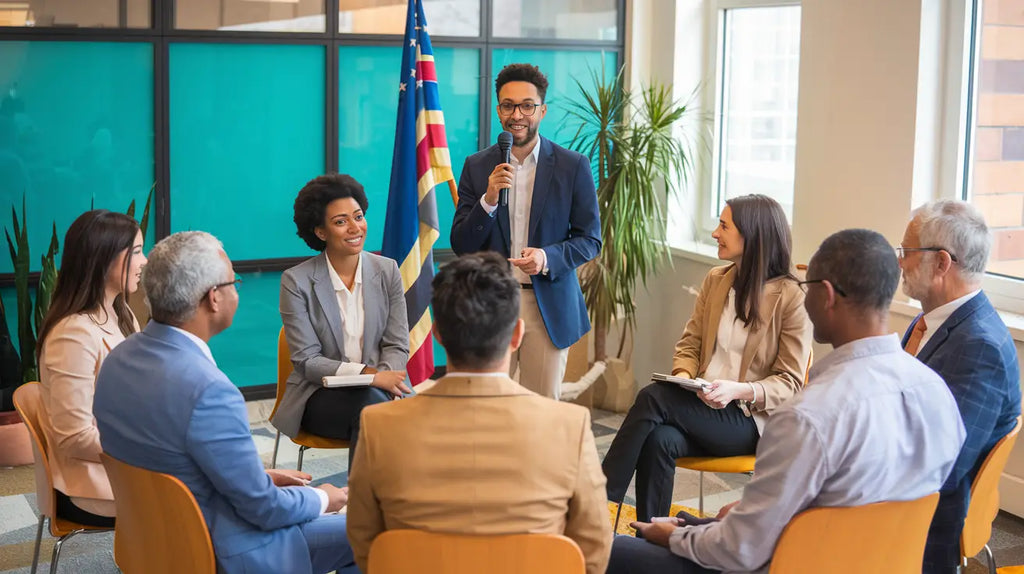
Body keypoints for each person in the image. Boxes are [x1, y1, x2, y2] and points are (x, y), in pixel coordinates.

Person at [607, 228, 966, 573]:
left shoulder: (807, 418)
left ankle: (601, 509)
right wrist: (703, 523)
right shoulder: (937, 395)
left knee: (604, 551)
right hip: (873, 563)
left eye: (806, 286)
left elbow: (739, 550)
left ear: (825, 295)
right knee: (675, 502)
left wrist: (678, 538)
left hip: (784, 563)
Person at [94, 232, 357, 574]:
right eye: (234, 281)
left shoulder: (118, 359)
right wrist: (324, 497)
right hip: (226, 550)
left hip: (154, 541)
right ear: (213, 298)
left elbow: (169, 457)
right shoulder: (209, 391)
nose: (238, 289)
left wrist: (256, 477)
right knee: (373, 527)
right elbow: (264, 509)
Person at [346, 252, 612, 574]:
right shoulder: (570, 426)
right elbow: (593, 551)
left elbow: (365, 544)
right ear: (516, 335)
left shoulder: (378, 425)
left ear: (438, 334)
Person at [602, 194, 812, 521]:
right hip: (701, 406)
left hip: (750, 420)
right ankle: (651, 538)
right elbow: (690, 344)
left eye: (724, 226)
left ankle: (600, 498)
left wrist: (737, 390)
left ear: (752, 235)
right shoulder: (717, 280)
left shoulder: (793, 298)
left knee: (652, 398)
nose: (715, 233)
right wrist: (683, 381)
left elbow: (791, 384)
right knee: (660, 439)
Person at [450, 63, 601, 399]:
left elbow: (590, 239)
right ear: (499, 109)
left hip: (546, 305)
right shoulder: (477, 166)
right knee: (484, 408)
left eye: (526, 106)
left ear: (541, 110)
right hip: (491, 304)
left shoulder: (572, 165)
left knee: (540, 412)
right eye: (507, 105)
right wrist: (488, 200)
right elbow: (462, 243)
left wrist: (547, 258)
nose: (516, 114)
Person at [896, 200, 1022, 574]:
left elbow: (942, 469)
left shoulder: (978, 345)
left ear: (941, 264)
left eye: (906, 252)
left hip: (921, 527)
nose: (899, 261)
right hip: (899, 496)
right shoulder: (933, 321)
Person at [271, 174, 409, 469]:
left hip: (379, 393)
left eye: (358, 217)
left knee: (373, 410)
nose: (355, 228)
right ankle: (374, 505)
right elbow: (307, 362)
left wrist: (381, 382)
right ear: (320, 232)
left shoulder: (388, 271)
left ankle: (364, 504)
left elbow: (397, 344)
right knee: (377, 414)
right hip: (320, 395)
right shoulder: (296, 281)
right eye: (340, 221)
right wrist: (370, 375)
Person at [36, 209, 145, 526]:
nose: (145, 262)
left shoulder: (121, 313)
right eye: (136, 252)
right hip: (96, 487)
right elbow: (75, 438)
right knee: (207, 496)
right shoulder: (72, 334)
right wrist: (148, 447)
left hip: (126, 466)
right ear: (103, 258)